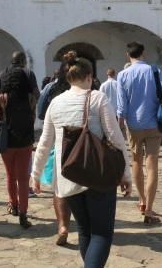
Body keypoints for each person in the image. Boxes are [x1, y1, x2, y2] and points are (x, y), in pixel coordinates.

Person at [32, 54, 131, 267]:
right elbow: (116, 138)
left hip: (68, 175)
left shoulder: (56, 102)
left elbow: (44, 142)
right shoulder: (97, 98)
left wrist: (36, 175)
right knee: (102, 234)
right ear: (89, 76)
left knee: (85, 231)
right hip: (98, 173)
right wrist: (126, 174)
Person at [116, 42, 162, 224]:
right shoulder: (154, 71)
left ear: (127, 55)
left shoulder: (123, 75)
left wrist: (120, 126)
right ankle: (149, 208)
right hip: (154, 123)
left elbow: (121, 106)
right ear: (143, 53)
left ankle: (141, 200)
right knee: (152, 164)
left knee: (136, 162)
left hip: (133, 125)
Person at [0, 51, 40, 229]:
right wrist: (30, 108)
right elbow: (37, 94)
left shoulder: (1, 76)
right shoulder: (28, 74)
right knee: (23, 177)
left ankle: (12, 205)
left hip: (7, 134)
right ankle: (23, 212)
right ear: (23, 62)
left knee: (10, 175)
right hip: (25, 134)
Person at [35, 53, 74, 245]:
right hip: (84, 143)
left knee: (59, 188)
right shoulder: (89, 88)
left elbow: (41, 112)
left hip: (59, 140)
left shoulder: (51, 88)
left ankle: (63, 225)